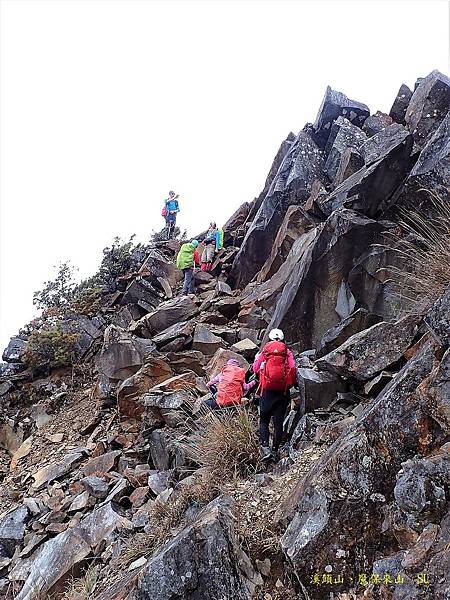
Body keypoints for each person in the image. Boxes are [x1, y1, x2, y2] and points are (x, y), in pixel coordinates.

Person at [253, 328, 296, 460]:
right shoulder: (287, 352)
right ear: (282, 339)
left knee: (264, 420)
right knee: (278, 423)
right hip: (282, 392)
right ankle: (275, 450)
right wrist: (290, 383)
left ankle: (265, 447)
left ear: (270, 339)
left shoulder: (265, 351)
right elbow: (293, 367)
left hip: (267, 391)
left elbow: (255, 368)